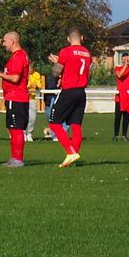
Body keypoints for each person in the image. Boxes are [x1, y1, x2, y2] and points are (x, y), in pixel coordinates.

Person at [46, 28, 93, 166]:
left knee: (54, 123)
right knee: (76, 126)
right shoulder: (87, 53)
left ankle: (71, 152)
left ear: (68, 39)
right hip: (81, 92)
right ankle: (73, 158)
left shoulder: (66, 51)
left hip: (68, 91)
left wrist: (56, 62)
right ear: (82, 38)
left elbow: (56, 72)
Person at [0, 31, 32, 167]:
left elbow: (15, 78)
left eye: (4, 41)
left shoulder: (19, 56)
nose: (3, 44)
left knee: (16, 128)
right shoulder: (16, 56)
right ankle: (14, 158)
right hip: (13, 97)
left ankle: (18, 160)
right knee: (12, 128)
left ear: (12, 41)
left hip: (17, 97)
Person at [112, 54, 129, 141]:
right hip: (120, 96)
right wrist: (126, 65)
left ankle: (124, 135)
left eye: (126, 59)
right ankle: (116, 135)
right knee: (117, 117)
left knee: (127, 117)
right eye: (123, 59)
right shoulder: (118, 68)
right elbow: (119, 75)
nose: (124, 61)